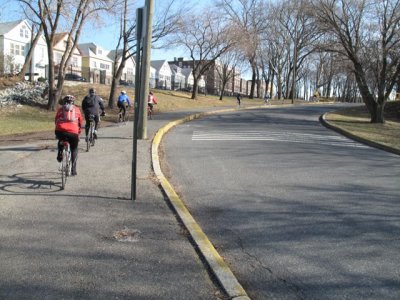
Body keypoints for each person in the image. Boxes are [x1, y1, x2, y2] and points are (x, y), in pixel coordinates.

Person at [55, 95, 82, 176]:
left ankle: (60, 152)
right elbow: (80, 123)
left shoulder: (60, 109)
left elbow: (56, 120)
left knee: (61, 140)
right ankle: (73, 170)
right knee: (74, 149)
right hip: (73, 132)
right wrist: (78, 132)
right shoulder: (77, 110)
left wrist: (57, 130)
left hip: (60, 131)